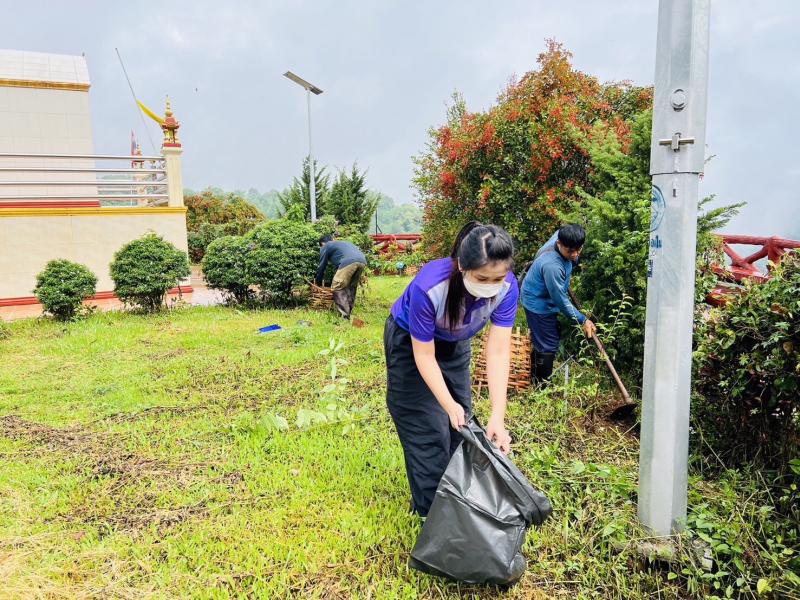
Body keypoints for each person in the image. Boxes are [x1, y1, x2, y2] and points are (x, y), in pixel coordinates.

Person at [384, 221, 517, 517]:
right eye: (482, 278)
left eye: (498, 278)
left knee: (460, 425)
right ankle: (433, 514)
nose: (490, 286)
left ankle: (458, 498)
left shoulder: (508, 287)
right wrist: (447, 403)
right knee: (427, 425)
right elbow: (424, 355)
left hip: (455, 342)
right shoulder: (430, 286)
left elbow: (498, 351)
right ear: (462, 266)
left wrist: (497, 416)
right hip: (411, 343)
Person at [521, 224, 596, 382]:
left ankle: (534, 378)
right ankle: (541, 386)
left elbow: (572, 253)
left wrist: (571, 260)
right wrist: (582, 319)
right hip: (538, 302)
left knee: (545, 339)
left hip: (546, 292)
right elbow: (560, 300)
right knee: (548, 344)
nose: (575, 255)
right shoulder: (552, 266)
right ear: (559, 244)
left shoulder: (565, 236)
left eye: (578, 250)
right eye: (570, 251)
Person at [315, 234, 367, 319]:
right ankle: (349, 311)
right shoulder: (343, 243)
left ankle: (345, 316)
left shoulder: (326, 246)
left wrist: (318, 281)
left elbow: (322, 266)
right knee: (351, 286)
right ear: (332, 239)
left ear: (322, 244)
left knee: (337, 286)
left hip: (349, 262)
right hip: (362, 261)